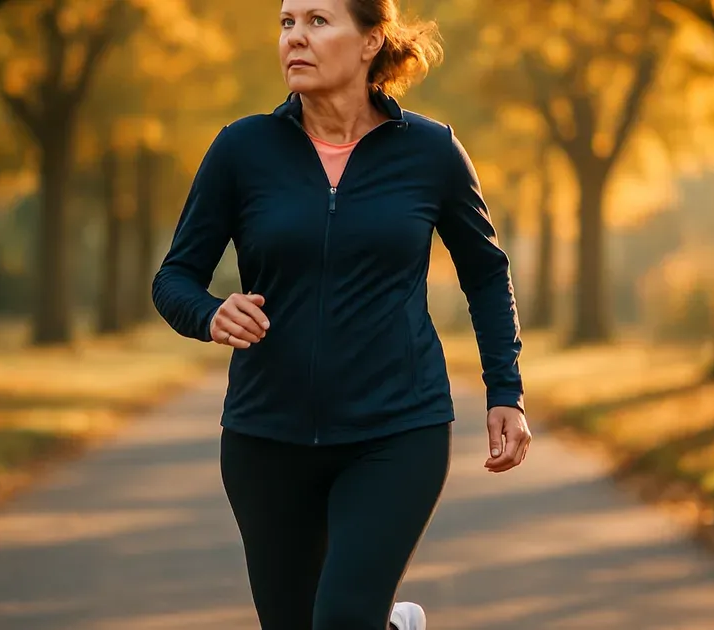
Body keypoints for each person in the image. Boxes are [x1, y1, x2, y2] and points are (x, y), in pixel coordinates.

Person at [151, 0, 531, 627]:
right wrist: (211, 313)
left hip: (397, 429)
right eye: (286, 23)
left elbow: (487, 275)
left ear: (369, 42)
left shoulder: (430, 152)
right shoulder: (243, 149)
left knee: (342, 620)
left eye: (318, 21)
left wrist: (505, 391)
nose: (295, 38)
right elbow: (175, 278)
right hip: (266, 436)